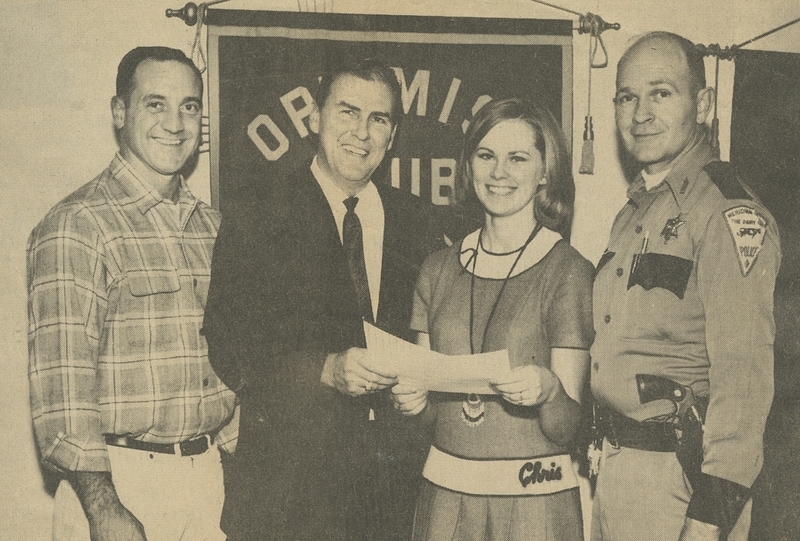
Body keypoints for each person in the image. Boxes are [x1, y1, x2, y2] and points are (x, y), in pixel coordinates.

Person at [202, 56, 444, 540]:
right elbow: (230, 347)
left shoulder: (419, 223)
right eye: (347, 112)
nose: (362, 132)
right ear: (315, 118)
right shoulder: (258, 212)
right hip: (288, 499)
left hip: (393, 500)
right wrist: (325, 369)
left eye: (379, 119)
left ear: (393, 136)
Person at [27, 46, 238, 541]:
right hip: (118, 484)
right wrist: (104, 510)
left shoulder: (215, 228)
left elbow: (230, 359)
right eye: (155, 104)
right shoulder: (76, 225)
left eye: (189, 106)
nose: (175, 122)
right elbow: (65, 388)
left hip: (209, 480)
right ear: (120, 112)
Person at [590, 32, 781, 541]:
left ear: (703, 104)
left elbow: (745, 383)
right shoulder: (636, 211)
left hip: (679, 479)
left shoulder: (725, 211)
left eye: (661, 93)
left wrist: (709, 520)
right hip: (617, 469)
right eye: (626, 97)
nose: (640, 114)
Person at [393, 97, 594, 541]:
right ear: (469, 167)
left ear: (545, 171)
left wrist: (550, 391)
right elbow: (429, 419)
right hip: (445, 498)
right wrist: (413, 402)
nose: (499, 172)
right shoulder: (436, 268)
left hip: (534, 506)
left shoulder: (568, 271)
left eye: (517, 158)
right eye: (486, 155)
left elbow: (568, 427)